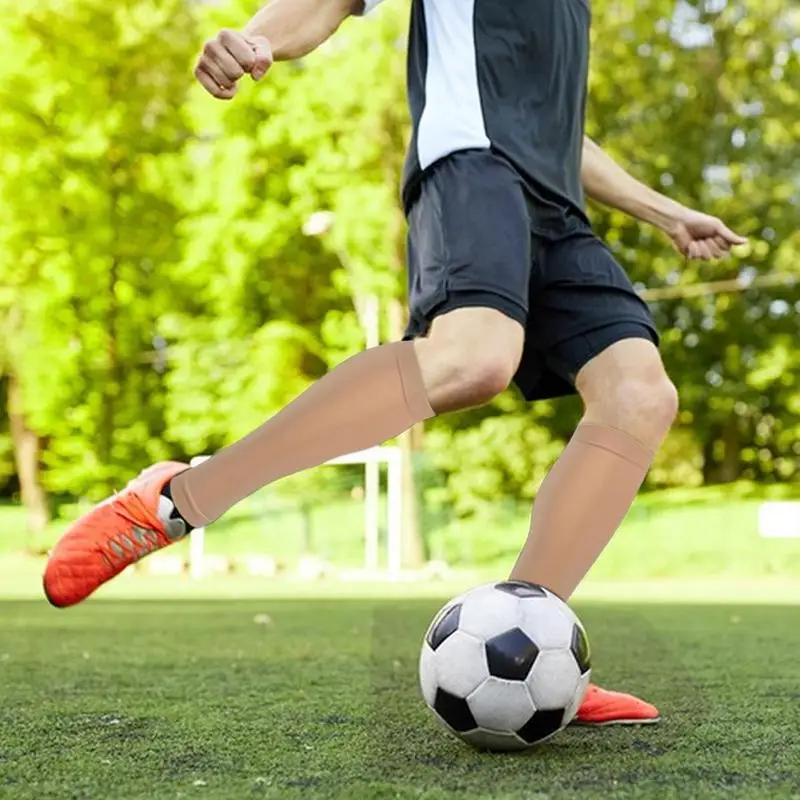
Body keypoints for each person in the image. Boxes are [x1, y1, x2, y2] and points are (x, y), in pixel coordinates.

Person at [42, 0, 746, 727]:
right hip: (473, 167)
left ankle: (532, 640)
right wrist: (254, 41)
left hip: (556, 206)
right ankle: (178, 498)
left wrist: (665, 212)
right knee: (473, 358)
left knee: (639, 395)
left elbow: (558, 135)